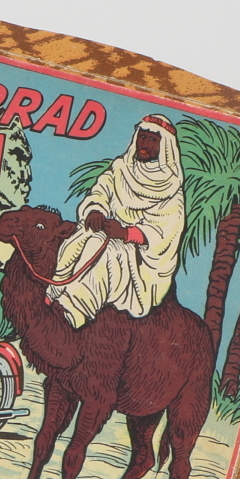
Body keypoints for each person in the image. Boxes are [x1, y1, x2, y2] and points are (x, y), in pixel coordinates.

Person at [50, 114, 186, 328]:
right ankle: (55, 291)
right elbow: (100, 192)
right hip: (108, 232)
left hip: (141, 262)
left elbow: (164, 234)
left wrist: (125, 234)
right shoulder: (121, 168)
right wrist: (95, 210)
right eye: (142, 136)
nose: (144, 143)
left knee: (109, 251)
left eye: (152, 139)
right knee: (85, 237)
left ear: (164, 146)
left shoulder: (171, 190)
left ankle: (74, 311)